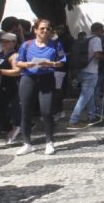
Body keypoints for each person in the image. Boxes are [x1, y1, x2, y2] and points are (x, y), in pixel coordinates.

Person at [15, 19, 67, 155]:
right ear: (35, 30)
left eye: (48, 29)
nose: (45, 31)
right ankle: (27, 143)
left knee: (47, 111)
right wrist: (26, 65)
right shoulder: (27, 45)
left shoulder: (56, 44)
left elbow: (62, 61)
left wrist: (51, 64)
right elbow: (18, 62)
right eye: (42, 28)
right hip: (28, 78)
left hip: (46, 78)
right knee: (25, 111)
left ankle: (49, 142)